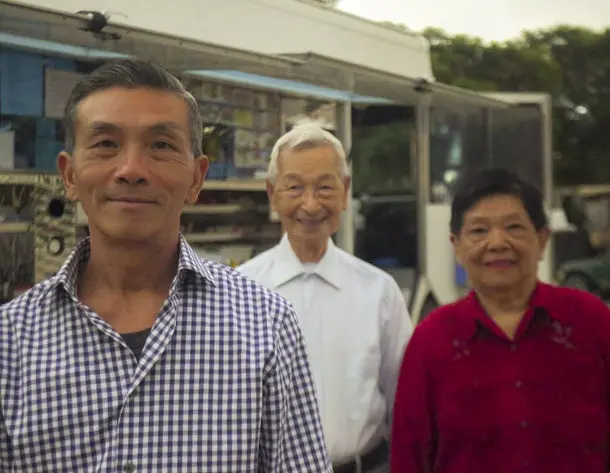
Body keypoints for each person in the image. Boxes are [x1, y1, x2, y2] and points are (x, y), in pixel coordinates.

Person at [0, 59, 332, 473]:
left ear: (197, 177)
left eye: (161, 146)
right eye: (106, 143)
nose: (131, 170)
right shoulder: (11, 343)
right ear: (69, 175)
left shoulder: (265, 325)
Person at [391, 167, 610, 473]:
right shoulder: (431, 341)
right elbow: (409, 455)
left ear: (543, 240)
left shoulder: (591, 320)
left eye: (514, 227)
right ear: (457, 246)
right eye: (479, 230)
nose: (497, 243)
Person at [237, 123, 413, 473]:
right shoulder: (240, 291)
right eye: (294, 187)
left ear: (345, 192)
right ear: (272, 194)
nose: (311, 204)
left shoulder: (379, 291)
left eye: (325, 187)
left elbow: (405, 401)